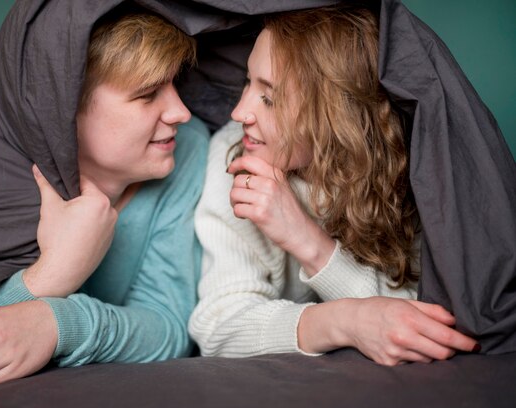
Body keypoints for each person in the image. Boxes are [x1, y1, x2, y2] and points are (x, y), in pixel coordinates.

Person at [0, 12, 209, 386]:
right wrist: (51, 276)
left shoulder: (187, 148)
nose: (181, 112)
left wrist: (58, 324)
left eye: (175, 83)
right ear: (66, 110)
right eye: (148, 94)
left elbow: (168, 325)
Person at [188, 5, 480, 365]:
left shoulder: (410, 168)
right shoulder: (233, 152)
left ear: (336, 115)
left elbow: (424, 319)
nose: (239, 112)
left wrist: (308, 241)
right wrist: (349, 321)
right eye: (248, 82)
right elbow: (218, 328)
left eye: (269, 98)